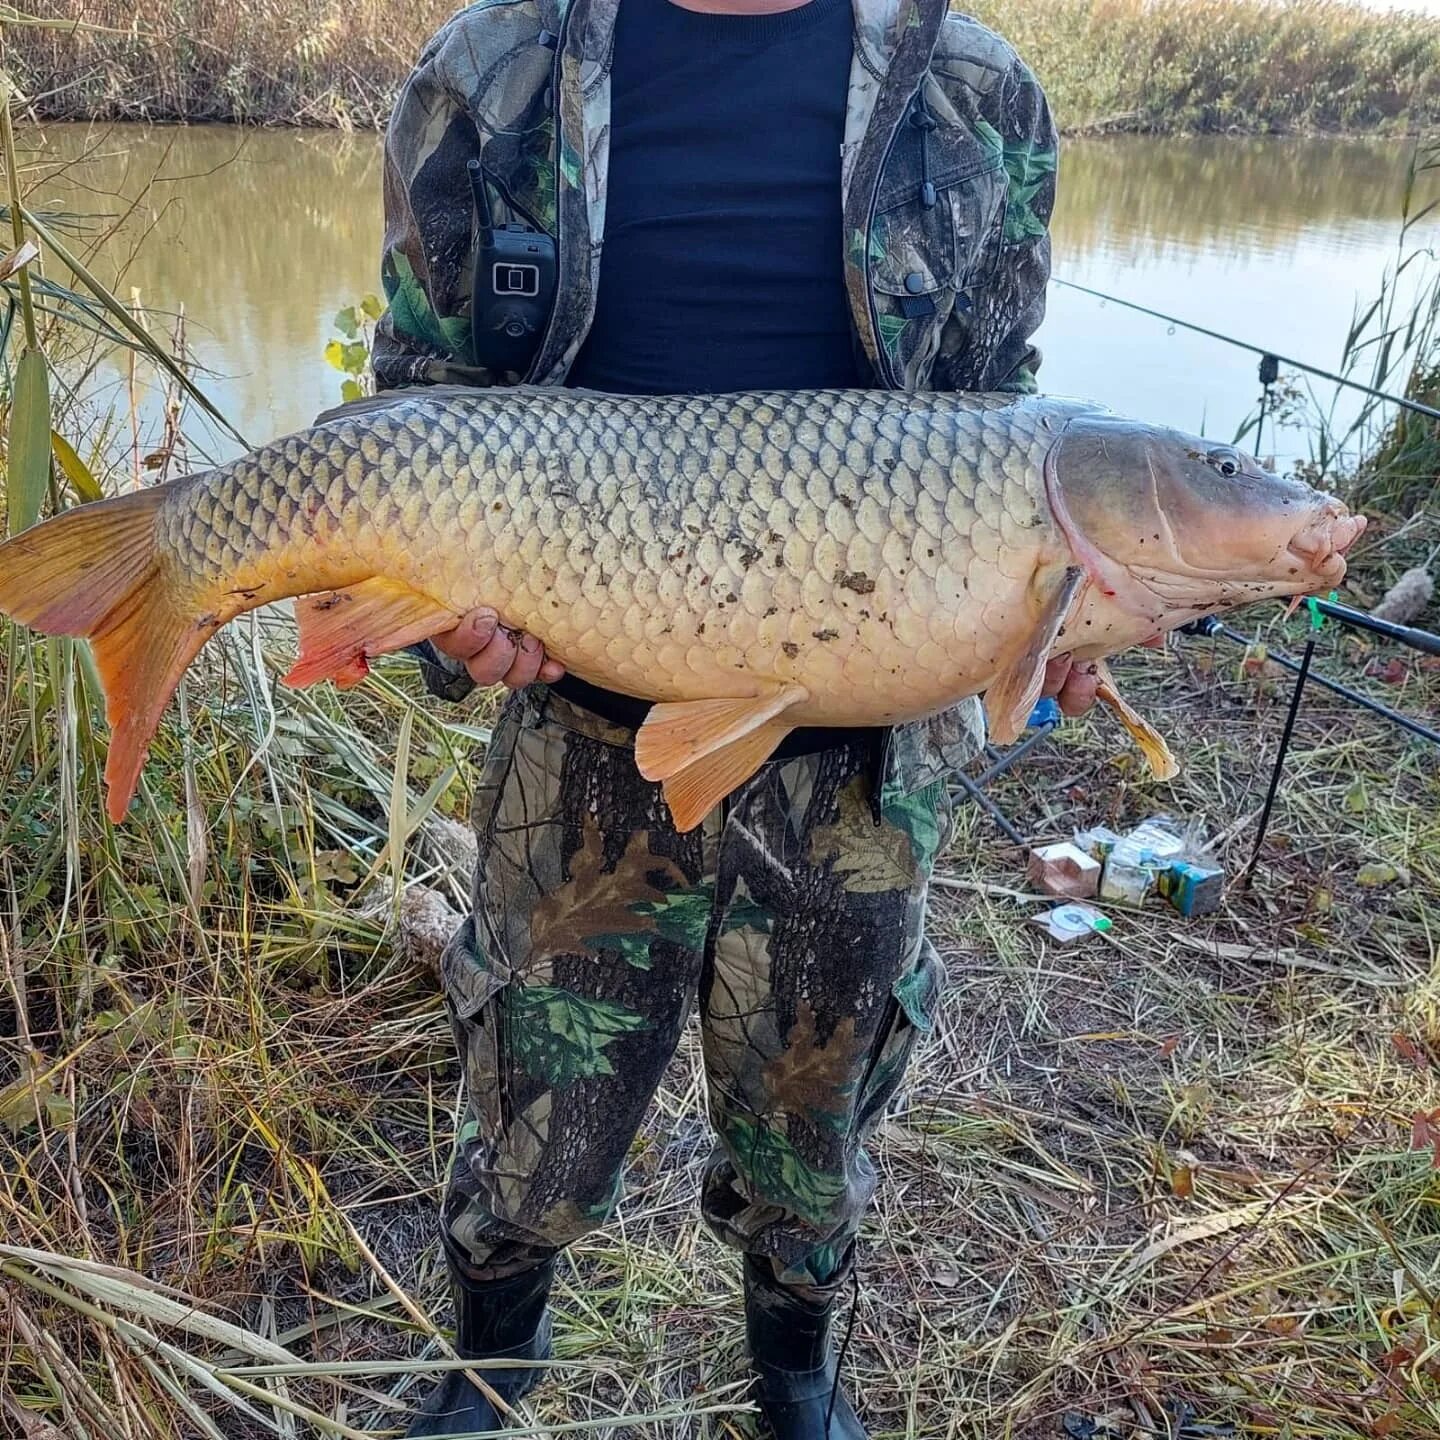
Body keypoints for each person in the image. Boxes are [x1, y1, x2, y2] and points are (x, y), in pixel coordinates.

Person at [372, 1, 1095, 1434]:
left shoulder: (977, 93)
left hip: (853, 762)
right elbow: (424, 399)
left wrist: (1053, 613)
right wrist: (453, 630)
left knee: (813, 1124)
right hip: (579, 721)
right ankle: (491, 1353)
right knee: (537, 1113)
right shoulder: (487, 74)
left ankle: (791, 1363)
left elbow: (999, 417)